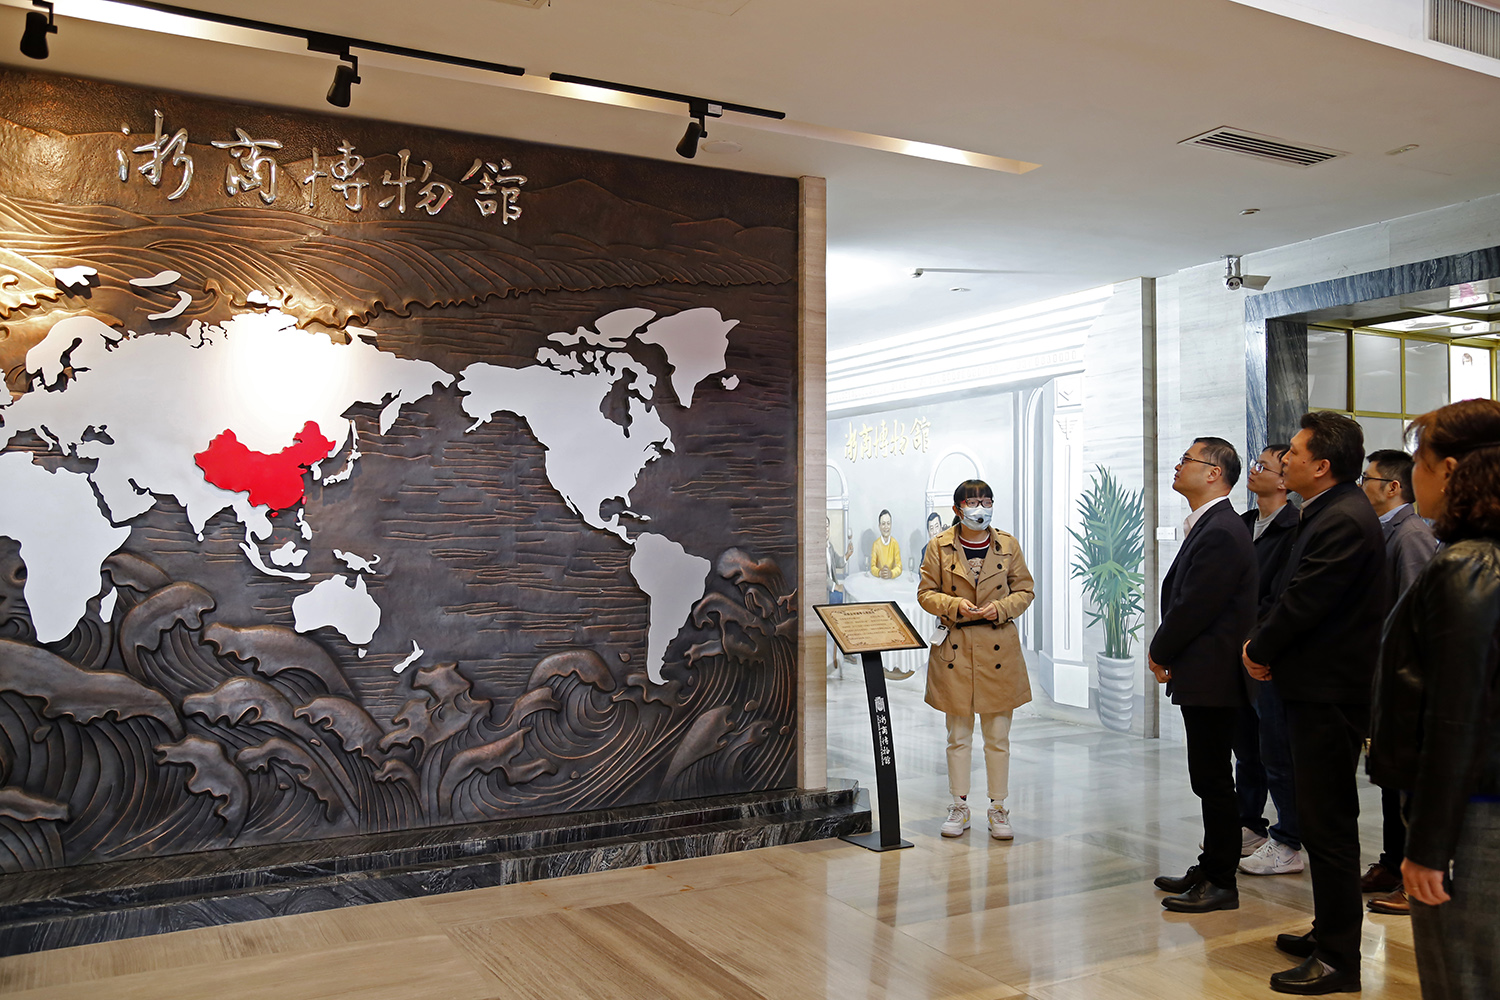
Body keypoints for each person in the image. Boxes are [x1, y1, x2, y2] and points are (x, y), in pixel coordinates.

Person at [1242, 411, 1387, 996]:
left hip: (1329, 692)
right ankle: (1328, 930)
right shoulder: (1324, 510)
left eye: (1295, 453)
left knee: (1329, 826)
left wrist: (1259, 648)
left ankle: (1339, 959)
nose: (1284, 461)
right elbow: (1286, 593)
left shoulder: (1343, 517)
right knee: (1321, 817)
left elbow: (1306, 601)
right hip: (1312, 686)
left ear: (1322, 465)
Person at [1368, 399, 1500, 1000]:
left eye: (1418, 461)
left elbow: (1456, 715)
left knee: (1462, 976)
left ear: (1447, 470)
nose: (1413, 475)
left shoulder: (1469, 565)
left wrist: (1426, 845)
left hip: (1473, 814)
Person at [1148, 438, 1258, 913]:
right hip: (1206, 672)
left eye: (1186, 460)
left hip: (1215, 675)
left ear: (1214, 472)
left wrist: (1160, 650)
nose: (1178, 466)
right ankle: (1212, 865)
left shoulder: (1221, 530)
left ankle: (1221, 880)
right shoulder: (1211, 524)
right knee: (1208, 777)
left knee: (1213, 780)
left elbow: (1196, 605)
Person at [917, 479, 1034, 841]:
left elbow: (1025, 590)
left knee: (998, 737)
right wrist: (954, 604)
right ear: (957, 509)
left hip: (998, 646)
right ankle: (959, 805)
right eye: (972, 503)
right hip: (955, 647)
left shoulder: (1007, 545)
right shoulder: (939, 547)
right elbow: (925, 593)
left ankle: (998, 808)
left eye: (986, 501)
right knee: (958, 736)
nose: (980, 509)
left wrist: (1001, 607)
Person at [1360, 448, 1441, 916]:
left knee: (1406, 784)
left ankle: (1411, 877)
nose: (1361, 486)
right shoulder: (1384, 529)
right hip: (1382, 674)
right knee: (1389, 781)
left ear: (1393, 487)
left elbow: (1413, 615)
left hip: (1401, 678)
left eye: (1367, 478)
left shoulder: (1410, 535)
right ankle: (1392, 863)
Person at [1238, 443, 1306, 878]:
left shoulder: (1294, 526)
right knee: (1246, 747)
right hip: (1240, 650)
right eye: (1255, 463)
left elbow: (1281, 596)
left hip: (1267, 652)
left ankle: (1289, 838)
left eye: (1263, 466)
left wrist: (1257, 642)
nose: (1254, 470)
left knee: (1277, 750)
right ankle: (1249, 824)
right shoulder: (1244, 523)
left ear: (1284, 480)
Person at [870, 509, 902, 579]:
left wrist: (891, 573)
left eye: (888, 523)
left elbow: (899, 567)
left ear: (891, 525)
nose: (886, 527)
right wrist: (880, 572)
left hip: (892, 581)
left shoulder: (895, 543)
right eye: (883, 524)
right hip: (879, 580)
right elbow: (872, 567)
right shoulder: (876, 545)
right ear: (879, 526)